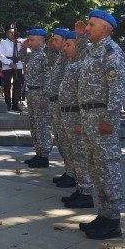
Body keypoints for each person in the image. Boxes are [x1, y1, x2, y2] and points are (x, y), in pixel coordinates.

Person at [75, 10, 125, 240]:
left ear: (105, 28)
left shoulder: (111, 52)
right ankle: (103, 214)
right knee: (96, 167)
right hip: (88, 115)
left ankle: (114, 220)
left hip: (101, 116)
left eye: (91, 25)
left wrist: (109, 118)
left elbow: (118, 88)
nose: (87, 28)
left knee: (107, 167)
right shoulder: (92, 50)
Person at [57, 30, 94, 208]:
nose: (65, 48)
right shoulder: (73, 63)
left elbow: (84, 95)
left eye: (68, 44)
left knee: (80, 154)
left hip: (76, 115)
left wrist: (81, 121)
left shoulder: (83, 65)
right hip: (67, 114)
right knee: (73, 153)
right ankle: (80, 188)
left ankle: (86, 191)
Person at [48, 28, 76, 189]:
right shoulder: (60, 57)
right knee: (60, 140)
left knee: (68, 142)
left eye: (56, 40)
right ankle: (69, 171)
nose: (54, 42)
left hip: (65, 106)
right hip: (58, 104)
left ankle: (73, 174)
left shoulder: (69, 58)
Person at [21, 29, 51, 167]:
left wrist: (45, 97)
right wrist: (23, 47)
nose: (30, 42)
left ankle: (44, 155)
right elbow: (22, 59)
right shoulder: (33, 53)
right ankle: (38, 152)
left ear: (40, 40)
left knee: (42, 125)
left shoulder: (45, 55)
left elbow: (48, 78)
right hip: (32, 92)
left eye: (32, 40)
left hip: (40, 93)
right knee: (34, 124)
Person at [0, 24, 24, 112]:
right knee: (7, 85)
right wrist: (9, 63)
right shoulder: (3, 42)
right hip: (7, 66)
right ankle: (8, 104)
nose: (12, 34)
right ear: (6, 33)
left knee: (17, 85)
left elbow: (27, 45)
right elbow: (1, 56)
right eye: (10, 32)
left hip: (18, 64)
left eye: (14, 32)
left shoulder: (19, 41)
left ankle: (15, 104)